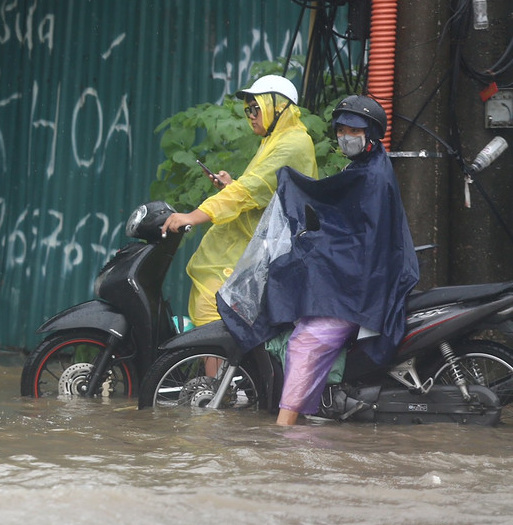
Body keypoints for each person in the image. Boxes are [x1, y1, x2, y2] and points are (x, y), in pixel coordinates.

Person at [219, 96, 418, 425]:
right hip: (354, 276)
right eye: (341, 129)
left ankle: (286, 430)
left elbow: (359, 238)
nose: (345, 136)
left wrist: (296, 192)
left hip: (360, 285)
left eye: (354, 130)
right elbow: (343, 220)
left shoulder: (371, 178)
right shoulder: (364, 168)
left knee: (306, 343)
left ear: (370, 135)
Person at [162, 74, 318, 326]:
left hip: (262, 253)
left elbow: (247, 192)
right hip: (251, 248)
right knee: (210, 316)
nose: (251, 116)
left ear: (278, 107)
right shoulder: (274, 140)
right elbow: (262, 190)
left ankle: (221, 367)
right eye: (248, 110)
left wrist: (193, 216)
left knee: (213, 315)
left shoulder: (293, 144)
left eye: (256, 108)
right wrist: (231, 186)